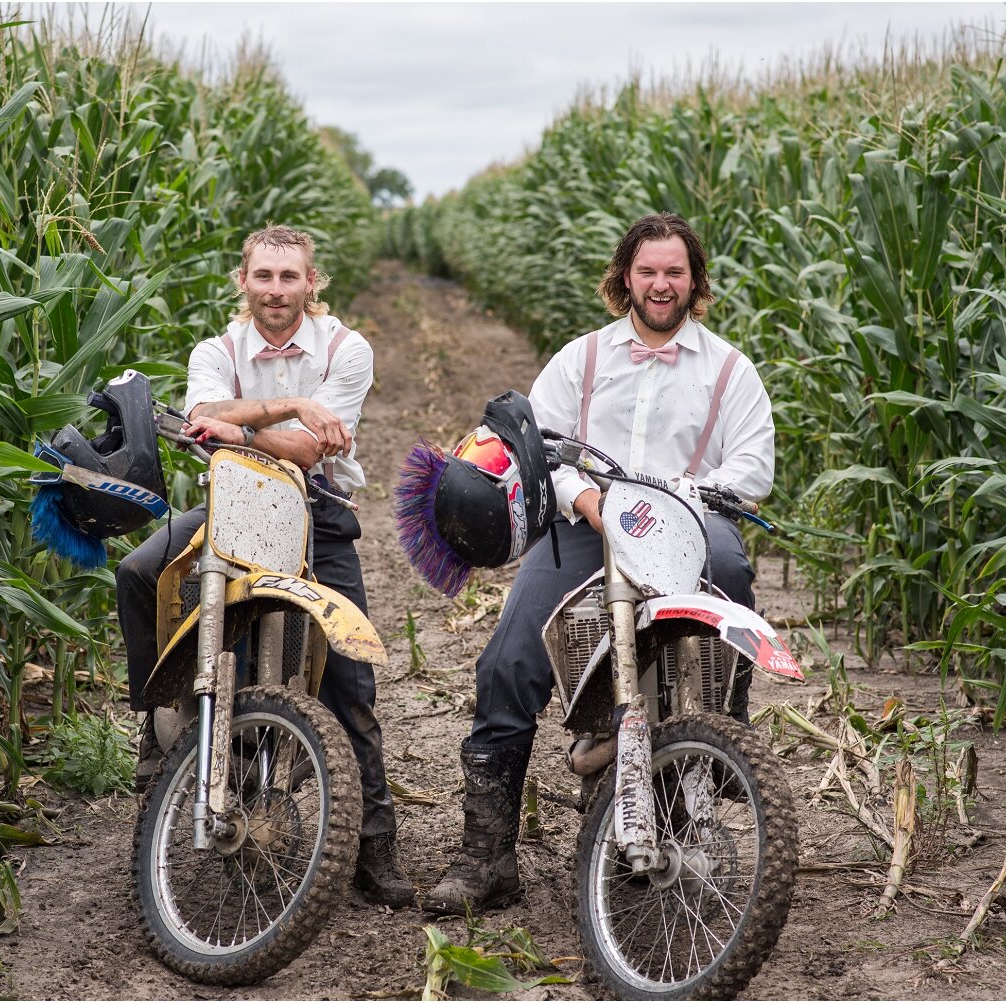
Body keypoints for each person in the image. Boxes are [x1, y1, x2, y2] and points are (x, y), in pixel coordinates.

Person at [420, 212, 776, 915]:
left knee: (732, 568)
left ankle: (724, 722)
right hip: (587, 525)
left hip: (686, 525)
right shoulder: (581, 359)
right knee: (506, 664)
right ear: (625, 278)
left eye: (675, 271)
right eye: (648, 271)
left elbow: (753, 467)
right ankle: (487, 856)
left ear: (695, 280)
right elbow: (539, 451)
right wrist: (585, 499)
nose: (661, 283)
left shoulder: (730, 370)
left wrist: (683, 493)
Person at [115, 224, 413, 908]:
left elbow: (310, 451)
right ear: (243, 283)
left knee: (349, 678)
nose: (276, 291)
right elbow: (200, 415)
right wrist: (289, 404)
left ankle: (374, 842)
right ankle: (159, 732)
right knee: (139, 573)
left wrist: (244, 427)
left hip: (317, 512)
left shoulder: (347, 348)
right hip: (232, 503)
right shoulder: (216, 348)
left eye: (289, 278)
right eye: (263, 277)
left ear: (312, 284)